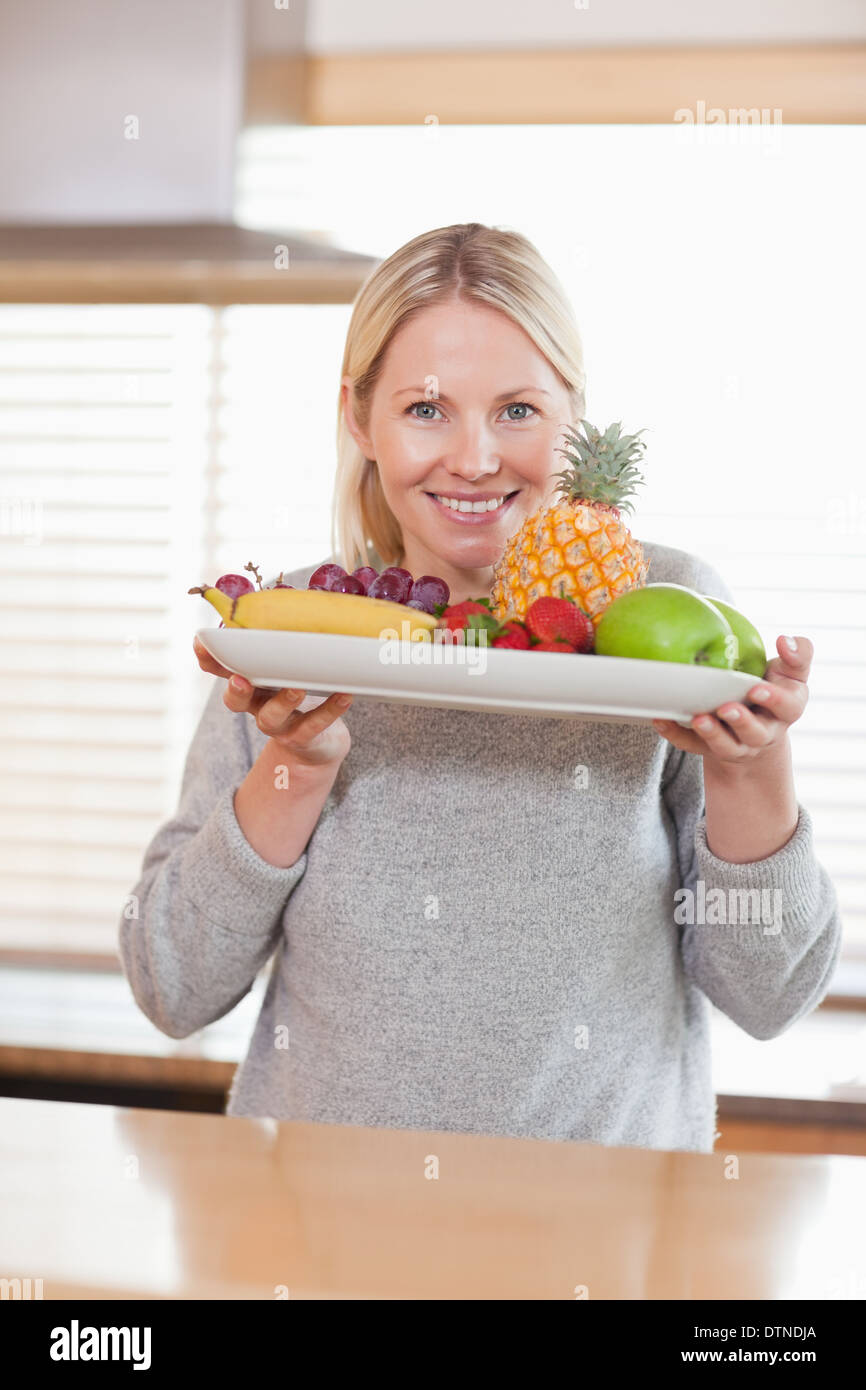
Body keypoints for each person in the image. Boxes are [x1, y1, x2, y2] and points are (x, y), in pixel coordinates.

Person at [119, 222, 841, 1152]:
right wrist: (295, 766)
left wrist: (753, 772)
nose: (473, 458)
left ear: (573, 417)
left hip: (603, 1256)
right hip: (327, 1257)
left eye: (517, 411)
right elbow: (171, 986)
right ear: (358, 417)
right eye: (426, 409)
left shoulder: (663, 622)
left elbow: (772, 993)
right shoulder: (293, 633)